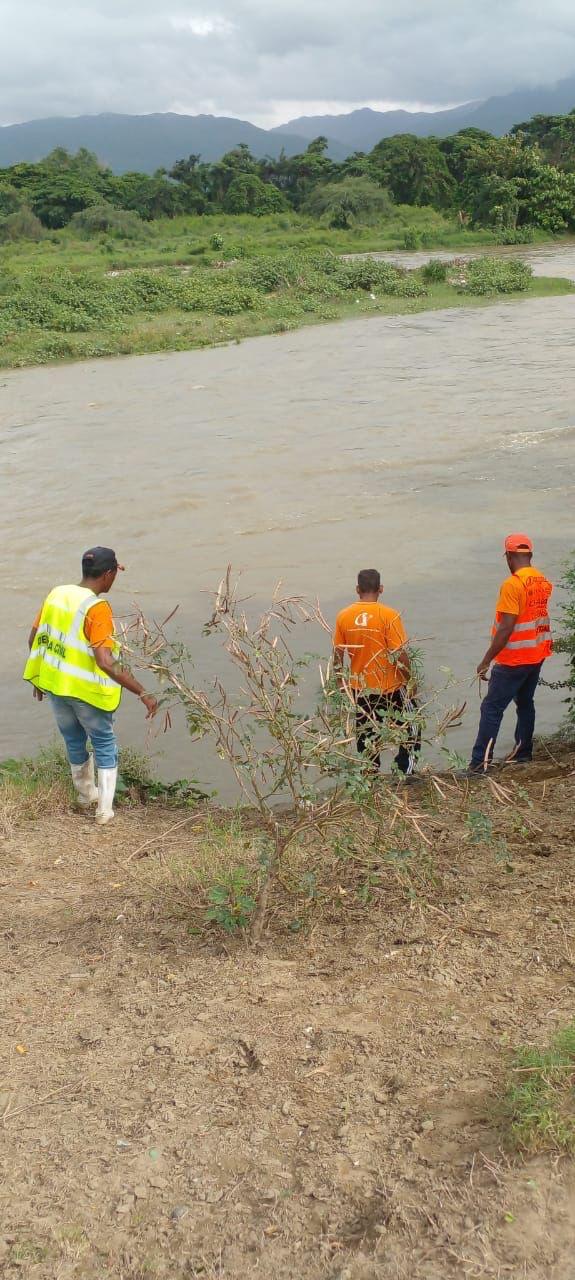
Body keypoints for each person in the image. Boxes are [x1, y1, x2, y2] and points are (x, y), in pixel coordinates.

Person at [23, 547, 158, 825]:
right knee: (104, 744)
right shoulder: (97, 608)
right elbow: (105, 661)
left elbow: (34, 638)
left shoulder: (56, 594)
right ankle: (104, 811)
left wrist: (38, 676)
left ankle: (86, 796)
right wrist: (142, 691)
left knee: (74, 741)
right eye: (115, 573)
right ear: (108, 574)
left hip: (56, 686)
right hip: (86, 692)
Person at [468, 534, 552, 773]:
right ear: (530, 555)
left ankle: (479, 764)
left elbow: (506, 627)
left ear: (509, 557)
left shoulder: (512, 584)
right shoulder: (542, 580)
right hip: (536, 654)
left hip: (514, 658)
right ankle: (523, 753)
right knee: (525, 703)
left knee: (491, 708)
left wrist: (486, 660)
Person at [333, 569, 420, 777]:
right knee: (411, 726)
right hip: (391, 687)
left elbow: (337, 654)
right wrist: (410, 680)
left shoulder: (343, 616)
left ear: (357, 589)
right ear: (381, 589)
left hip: (361, 688)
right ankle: (405, 772)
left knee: (366, 734)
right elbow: (399, 653)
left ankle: (369, 776)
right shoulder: (389, 615)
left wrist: (340, 683)